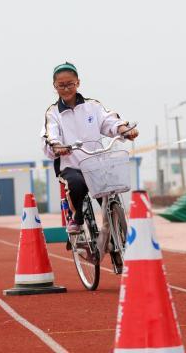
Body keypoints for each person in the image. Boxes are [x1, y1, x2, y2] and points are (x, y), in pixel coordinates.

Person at [40, 62, 138, 239]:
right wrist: (57, 146)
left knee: (109, 190)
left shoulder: (92, 106)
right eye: (61, 85)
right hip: (71, 166)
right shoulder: (53, 113)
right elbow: (50, 134)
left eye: (70, 83)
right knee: (77, 185)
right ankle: (77, 218)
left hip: (96, 164)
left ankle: (114, 228)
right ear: (55, 87)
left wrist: (125, 130)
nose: (66, 88)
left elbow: (110, 121)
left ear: (78, 82)